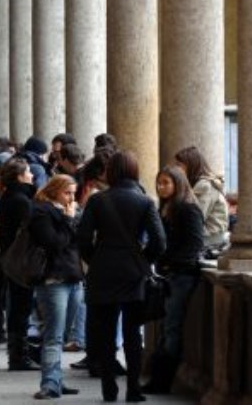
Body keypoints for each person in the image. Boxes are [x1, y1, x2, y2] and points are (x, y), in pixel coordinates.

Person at [78, 151, 166, 402]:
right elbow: (159, 242)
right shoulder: (145, 202)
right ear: (135, 171)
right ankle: (133, 390)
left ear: (111, 172)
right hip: (133, 273)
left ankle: (109, 389)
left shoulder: (97, 201)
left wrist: (95, 259)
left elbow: (83, 238)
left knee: (105, 333)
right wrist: (143, 260)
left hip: (103, 270)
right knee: (132, 333)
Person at [143, 165, 204, 394]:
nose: (161, 187)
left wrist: (168, 263)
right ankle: (158, 378)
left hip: (182, 276)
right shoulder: (167, 208)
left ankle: (162, 382)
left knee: (171, 328)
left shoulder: (188, 209)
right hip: (170, 276)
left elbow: (194, 245)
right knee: (167, 326)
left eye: (166, 182)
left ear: (178, 184)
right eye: (159, 183)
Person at [28, 175, 83, 399]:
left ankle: (57, 379)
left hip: (72, 278)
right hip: (53, 280)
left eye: (73, 193)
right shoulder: (41, 211)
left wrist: (72, 220)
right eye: (67, 193)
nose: (71, 198)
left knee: (64, 332)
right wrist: (68, 221)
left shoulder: (68, 212)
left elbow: (78, 241)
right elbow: (53, 244)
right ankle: (49, 383)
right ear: (54, 191)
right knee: (53, 335)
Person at [0, 158, 38, 370]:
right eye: (29, 172)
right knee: (21, 307)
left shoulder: (10, 195)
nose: (32, 175)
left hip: (11, 256)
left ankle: (18, 353)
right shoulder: (21, 199)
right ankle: (19, 356)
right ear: (20, 176)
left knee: (18, 306)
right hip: (21, 259)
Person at [174, 146, 229, 251]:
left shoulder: (205, 185)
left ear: (191, 165)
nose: (176, 169)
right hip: (204, 238)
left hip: (209, 240)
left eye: (179, 165)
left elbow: (195, 217)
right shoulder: (195, 184)